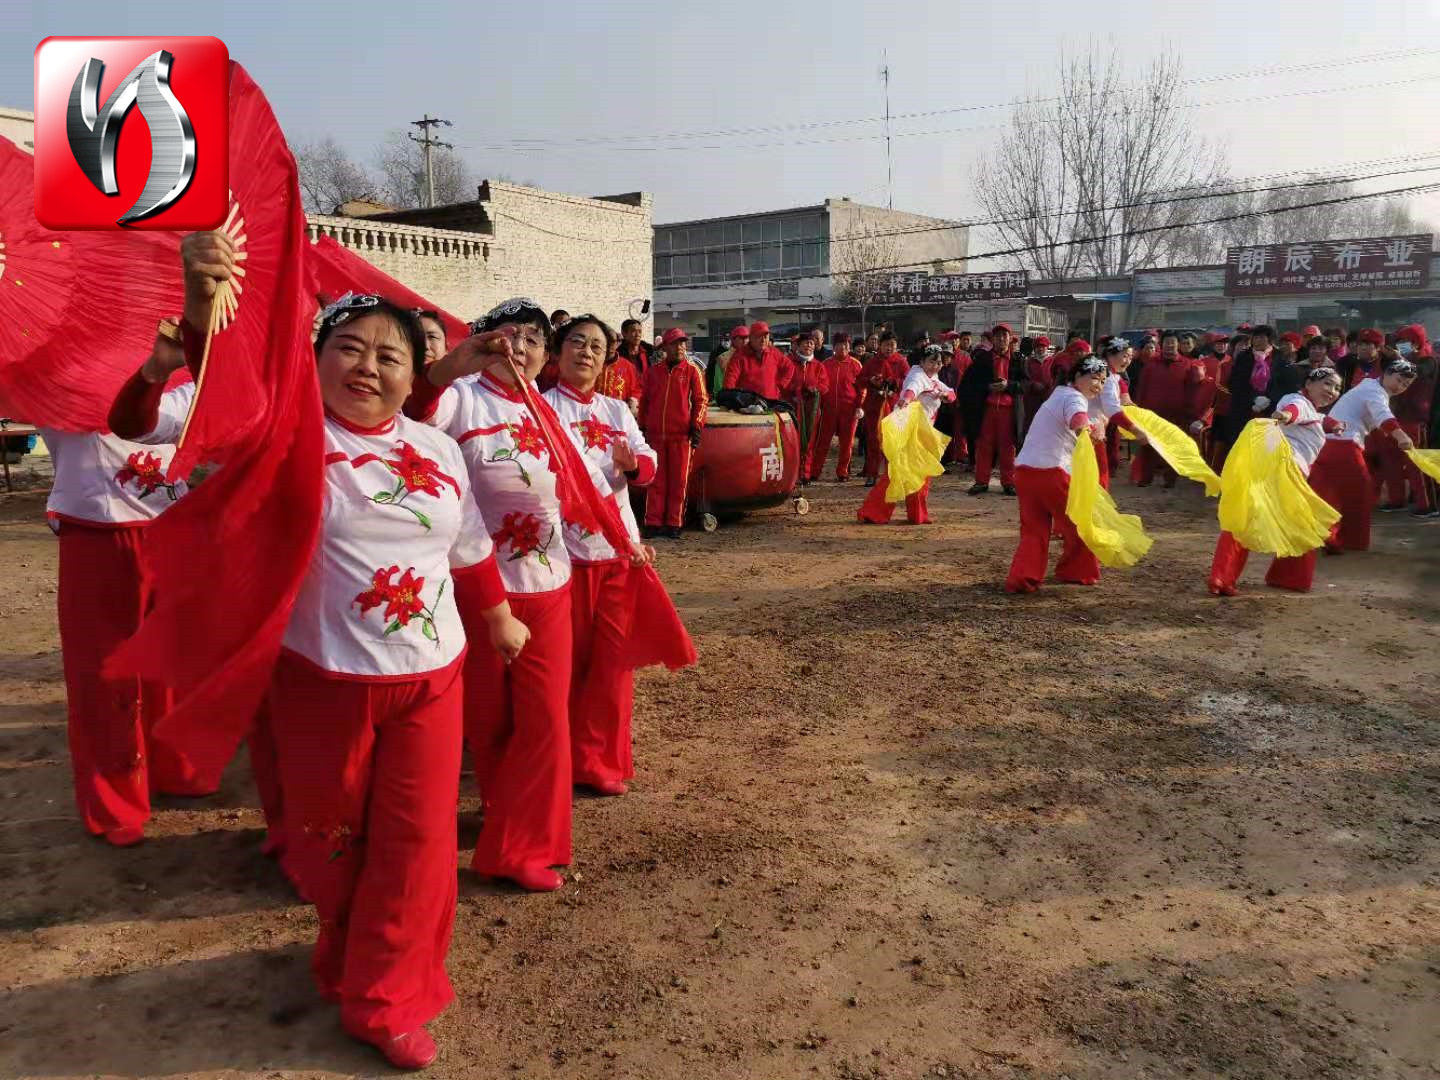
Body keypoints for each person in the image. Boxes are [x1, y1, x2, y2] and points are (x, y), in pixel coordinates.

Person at [409, 296, 617, 895]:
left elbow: (584, 486)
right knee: (490, 717)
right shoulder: (462, 398)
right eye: (509, 334)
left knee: (546, 721)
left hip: (549, 582)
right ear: (483, 340)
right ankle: (503, 813)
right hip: (477, 586)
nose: (520, 347)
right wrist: (451, 366)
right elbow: (415, 412)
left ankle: (522, 844)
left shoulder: (545, 410)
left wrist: (624, 539)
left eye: (533, 339)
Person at [45, 319, 207, 847]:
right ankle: (115, 799)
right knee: (104, 673)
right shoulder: (48, 369)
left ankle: (177, 765)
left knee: (175, 661)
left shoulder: (180, 366)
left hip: (171, 527)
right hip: (96, 532)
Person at [543, 315, 658, 796]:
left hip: (617, 552)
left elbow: (647, 463)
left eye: (596, 346)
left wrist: (635, 466)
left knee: (612, 665)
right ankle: (561, 759)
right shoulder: (539, 408)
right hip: (560, 555)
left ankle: (601, 761)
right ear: (557, 351)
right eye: (576, 343)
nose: (586, 353)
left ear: (608, 356)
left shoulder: (616, 410)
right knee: (565, 665)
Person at [1208, 367, 1345, 596]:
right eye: (1327, 384)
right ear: (1309, 383)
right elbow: (1295, 411)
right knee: (1306, 525)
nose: (1332, 391)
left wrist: (1334, 424)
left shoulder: (1309, 408)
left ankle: (1224, 577)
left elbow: (1317, 418)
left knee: (1249, 520)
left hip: (1280, 471)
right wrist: (1285, 416)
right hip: (1285, 474)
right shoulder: (1297, 401)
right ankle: (1288, 577)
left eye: (1337, 388)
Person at [1004, 357, 1109, 593]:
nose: (1098, 386)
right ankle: (1078, 571)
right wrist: (1091, 431)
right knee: (1082, 523)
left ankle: (1024, 577)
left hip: (1024, 471)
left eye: (1102, 381)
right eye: (1095, 378)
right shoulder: (1073, 397)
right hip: (1051, 473)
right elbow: (1078, 421)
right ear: (1077, 375)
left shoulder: (1058, 394)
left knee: (1034, 530)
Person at [1308, 357, 1418, 552]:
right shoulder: (1374, 391)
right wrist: (1402, 436)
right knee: (1361, 493)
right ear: (1387, 373)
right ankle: (1348, 541)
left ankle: (1329, 535)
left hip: (1332, 443)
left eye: (1406, 384)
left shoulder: (1372, 388)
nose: (1401, 386)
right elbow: (1384, 417)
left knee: (1333, 494)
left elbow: (1378, 421)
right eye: (1399, 380)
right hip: (1344, 444)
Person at [857, 345, 953, 525]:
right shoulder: (917, 376)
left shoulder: (932, 378)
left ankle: (916, 514)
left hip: (922, 433)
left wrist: (945, 395)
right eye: (932, 362)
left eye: (939, 362)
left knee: (919, 473)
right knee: (900, 472)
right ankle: (875, 511)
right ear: (922, 362)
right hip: (911, 432)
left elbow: (951, 392)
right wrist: (906, 400)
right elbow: (911, 390)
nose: (935, 366)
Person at [640, 328, 708, 538]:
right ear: (665, 348)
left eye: (682, 343)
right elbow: (645, 401)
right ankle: (652, 522)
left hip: (681, 436)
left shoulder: (692, 371)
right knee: (655, 480)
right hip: (655, 436)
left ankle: (674, 523)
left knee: (679, 481)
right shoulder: (653, 372)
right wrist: (642, 427)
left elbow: (701, 400)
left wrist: (696, 426)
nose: (679, 347)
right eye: (674, 343)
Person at [1131, 331, 1205, 488]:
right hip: (1152, 414)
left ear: (1178, 345)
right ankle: (1146, 477)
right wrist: (1138, 408)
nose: (1170, 345)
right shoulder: (1151, 364)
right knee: (1148, 445)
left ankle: (1170, 478)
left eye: (1173, 342)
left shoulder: (1188, 364)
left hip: (1177, 414)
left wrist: (1191, 412)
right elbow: (1141, 388)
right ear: (1161, 345)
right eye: (1166, 342)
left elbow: (1192, 390)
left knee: (1173, 446)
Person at [1375, 324, 1435, 517]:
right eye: (1399, 342)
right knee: (1390, 461)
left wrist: (1398, 359)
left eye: (1405, 341)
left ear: (1417, 341)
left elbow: (1417, 374)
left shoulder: (1429, 360)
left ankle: (1426, 505)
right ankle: (1396, 499)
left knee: (1416, 464)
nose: (1402, 345)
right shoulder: (1399, 359)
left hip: (1416, 418)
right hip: (1393, 416)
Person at [964, 323, 1022, 495]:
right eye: (997, 336)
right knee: (983, 445)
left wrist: (1008, 385)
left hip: (1008, 410)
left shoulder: (1018, 360)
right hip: (987, 408)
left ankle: (1009, 482)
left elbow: (1026, 385)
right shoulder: (982, 359)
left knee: (1008, 446)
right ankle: (981, 481)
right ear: (992, 339)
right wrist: (987, 387)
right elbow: (969, 383)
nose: (1001, 339)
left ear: (1010, 339)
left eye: (1005, 336)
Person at [1216, 325, 1279, 472]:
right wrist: (1254, 399)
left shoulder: (1279, 357)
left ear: (1270, 340)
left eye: (1262, 337)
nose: (1258, 341)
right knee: (1241, 446)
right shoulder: (1244, 357)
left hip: (1270, 411)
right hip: (1243, 410)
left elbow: (1284, 383)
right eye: (1256, 337)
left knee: (1267, 448)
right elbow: (1235, 383)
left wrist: (1269, 399)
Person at [811, 333, 865, 481]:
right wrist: (819, 407)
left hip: (849, 410)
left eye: (846, 344)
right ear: (834, 347)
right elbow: (820, 386)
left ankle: (843, 472)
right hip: (829, 410)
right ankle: (815, 471)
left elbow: (862, 388)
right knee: (823, 442)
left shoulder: (855, 364)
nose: (844, 347)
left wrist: (859, 406)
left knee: (847, 444)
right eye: (840, 344)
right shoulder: (825, 364)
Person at [858, 331, 909, 486]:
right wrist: (871, 381)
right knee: (874, 440)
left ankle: (891, 474)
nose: (889, 348)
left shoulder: (901, 362)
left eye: (892, 345)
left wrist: (895, 383)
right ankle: (872, 473)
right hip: (875, 407)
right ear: (880, 346)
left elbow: (908, 381)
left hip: (895, 407)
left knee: (893, 441)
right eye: (886, 345)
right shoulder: (872, 362)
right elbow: (859, 380)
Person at [789, 333, 829, 483]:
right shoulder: (790, 363)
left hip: (812, 409)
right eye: (805, 343)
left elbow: (825, 386)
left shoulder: (818, 366)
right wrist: (797, 389)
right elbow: (783, 381)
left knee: (810, 441)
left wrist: (815, 389)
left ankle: (805, 473)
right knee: (794, 441)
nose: (808, 346)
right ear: (798, 346)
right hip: (793, 407)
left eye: (811, 343)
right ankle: (793, 474)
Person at [722, 320, 795, 400]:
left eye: (766, 337)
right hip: (747, 405)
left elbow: (789, 367)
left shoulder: (774, 352)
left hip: (770, 402)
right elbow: (730, 380)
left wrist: (781, 385)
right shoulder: (739, 356)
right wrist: (730, 399)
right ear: (751, 338)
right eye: (759, 336)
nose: (763, 340)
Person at [595, 324, 642, 415]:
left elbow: (637, 389)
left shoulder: (628, 366)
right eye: (606, 341)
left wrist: (633, 400)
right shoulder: (592, 363)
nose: (609, 345)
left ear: (617, 343)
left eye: (612, 341)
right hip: (593, 412)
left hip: (618, 415)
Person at [707, 324, 748, 398]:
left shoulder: (753, 356)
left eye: (747, 338)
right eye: (741, 338)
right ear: (734, 340)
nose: (745, 341)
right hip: (732, 398)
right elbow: (718, 383)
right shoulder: (723, 358)